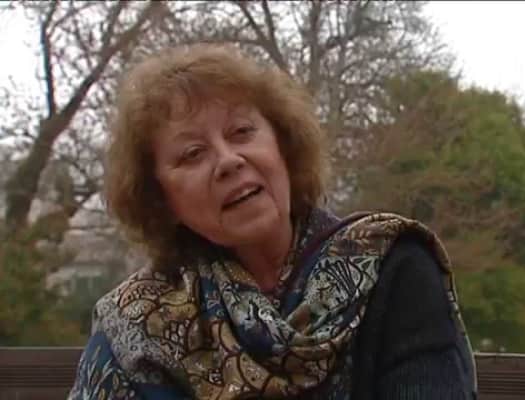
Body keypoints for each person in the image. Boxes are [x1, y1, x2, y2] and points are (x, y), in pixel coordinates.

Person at [68, 43, 476, 400]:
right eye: (193, 154)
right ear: (161, 200)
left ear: (283, 145)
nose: (228, 161)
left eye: (242, 131)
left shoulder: (390, 266)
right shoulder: (139, 320)